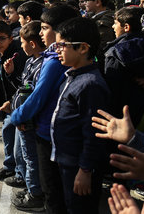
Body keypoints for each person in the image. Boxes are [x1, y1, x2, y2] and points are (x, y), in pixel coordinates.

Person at [10, 4, 79, 214]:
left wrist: (17, 116)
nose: (41, 32)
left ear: (61, 30)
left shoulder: (55, 61)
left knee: (51, 188)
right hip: (51, 129)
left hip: (47, 131)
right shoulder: (54, 57)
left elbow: (39, 96)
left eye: (45, 28)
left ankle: (37, 197)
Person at [51, 17, 110, 214]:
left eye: (62, 45)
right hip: (67, 162)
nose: (57, 49)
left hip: (79, 166)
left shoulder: (90, 84)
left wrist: (85, 170)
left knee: (80, 208)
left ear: (83, 48)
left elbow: (93, 133)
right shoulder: (73, 75)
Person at [1, 21, 47, 211]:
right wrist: (11, 75)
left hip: (28, 120)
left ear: (33, 44)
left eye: (22, 42)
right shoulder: (30, 61)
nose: (21, 46)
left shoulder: (43, 64)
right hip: (20, 117)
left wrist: (23, 116)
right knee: (23, 154)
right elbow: (22, 87)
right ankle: (29, 187)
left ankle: (36, 195)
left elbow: (35, 95)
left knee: (31, 157)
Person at [103, 7, 144, 121]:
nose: (113, 27)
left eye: (115, 23)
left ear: (126, 27)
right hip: (143, 110)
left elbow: (111, 86)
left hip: (118, 113)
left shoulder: (115, 54)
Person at [84, 0, 115, 64]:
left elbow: (102, 48)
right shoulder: (92, 18)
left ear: (97, 2)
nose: (84, 3)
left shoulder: (105, 22)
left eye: (87, 1)